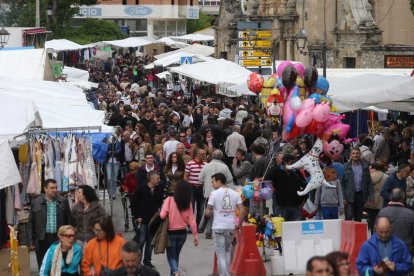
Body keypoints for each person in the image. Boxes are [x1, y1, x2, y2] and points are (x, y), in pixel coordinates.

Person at [205, 173, 246, 276]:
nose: (212, 184)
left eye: (213, 181)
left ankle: (224, 275)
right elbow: (242, 211)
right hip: (230, 226)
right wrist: (239, 224)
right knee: (227, 251)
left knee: (220, 254)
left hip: (218, 226)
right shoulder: (235, 193)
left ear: (219, 181)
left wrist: (208, 213)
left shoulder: (214, 194)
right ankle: (227, 273)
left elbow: (208, 212)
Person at [28, 179, 73, 269]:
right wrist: (30, 241)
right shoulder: (36, 202)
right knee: (43, 266)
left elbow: (69, 221)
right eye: (52, 188)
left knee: (59, 265)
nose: (55, 190)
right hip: (42, 239)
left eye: (56, 187)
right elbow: (31, 223)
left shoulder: (63, 201)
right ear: (45, 189)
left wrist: (70, 237)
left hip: (59, 238)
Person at [160, 181, 199, 276]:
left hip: (170, 233)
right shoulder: (188, 203)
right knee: (176, 255)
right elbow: (192, 221)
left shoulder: (169, 200)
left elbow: (162, 216)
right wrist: (195, 236)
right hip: (182, 233)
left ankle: (175, 272)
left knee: (171, 256)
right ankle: (173, 273)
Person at [130, 171, 164, 269]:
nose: (159, 180)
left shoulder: (159, 190)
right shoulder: (141, 189)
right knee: (140, 241)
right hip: (142, 220)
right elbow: (134, 204)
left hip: (153, 221)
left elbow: (160, 203)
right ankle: (137, 262)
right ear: (151, 179)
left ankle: (147, 261)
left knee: (150, 243)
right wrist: (137, 216)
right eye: (157, 178)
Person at [265, 154, 306, 221]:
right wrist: (271, 188)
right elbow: (266, 180)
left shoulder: (297, 173)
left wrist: (304, 200)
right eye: (292, 163)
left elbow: (305, 185)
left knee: (296, 228)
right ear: (285, 162)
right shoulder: (276, 171)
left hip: (296, 206)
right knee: (281, 228)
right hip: (281, 206)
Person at [341, 147, 374, 221]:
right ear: (351, 155)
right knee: (349, 217)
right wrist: (343, 197)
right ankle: (348, 233)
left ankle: (356, 232)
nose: (355, 155)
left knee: (358, 218)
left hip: (361, 195)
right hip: (349, 196)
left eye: (357, 153)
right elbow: (342, 184)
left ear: (360, 154)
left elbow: (369, 182)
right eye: (353, 153)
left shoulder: (365, 167)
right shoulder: (345, 167)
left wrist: (371, 196)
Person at [184, 146, 207, 227]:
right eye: (202, 154)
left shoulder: (206, 164)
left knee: (200, 209)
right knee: (191, 208)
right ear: (197, 154)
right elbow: (186, 176)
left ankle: (196, 225)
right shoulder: (190, 163)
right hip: (192, 188)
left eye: (204, 154)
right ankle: (190, 225)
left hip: (201, 188)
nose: (203, 155)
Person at [364, 162, 388, 235]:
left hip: (372, 201)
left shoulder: (370, 176)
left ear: (374, 168)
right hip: (382, 201)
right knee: (381, 221)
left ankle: (373, 235)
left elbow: (366, 188)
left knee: (372, 221)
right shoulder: (387, 177)